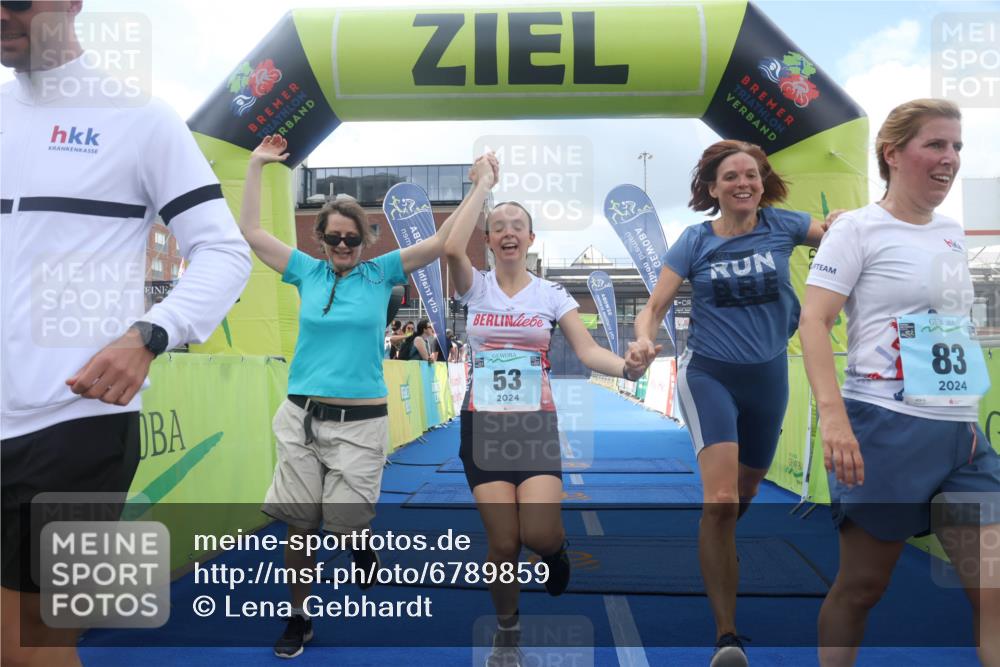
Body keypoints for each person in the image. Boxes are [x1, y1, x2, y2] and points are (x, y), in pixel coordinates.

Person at [0, 3, 252, 666]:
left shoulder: (141, 119)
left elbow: (225, 252)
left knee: (37, 640)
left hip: (77, 419)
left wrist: (150, 333)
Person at [240, 135, 484, 658]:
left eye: (352, 239)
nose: (343, 247)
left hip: (362, 423)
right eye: (334, 238)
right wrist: (257, 166)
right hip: (302, 416)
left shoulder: (381, 272)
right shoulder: (305, 270)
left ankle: (359, 545)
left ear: (365, 240)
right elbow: (253, 231)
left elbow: (443, 242)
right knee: (302, 525)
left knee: (346, 520)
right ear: (322, 239)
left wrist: (481, 187)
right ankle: (298, 617)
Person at [799, 99, 1000, 667]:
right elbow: (814, 321)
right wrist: (833, 417)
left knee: (994, 589)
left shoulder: (953, 234)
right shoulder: (857, 230)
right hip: (885, 430)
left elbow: (942, 325)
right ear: (892, 154)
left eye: (957, 146)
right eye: (936, 144)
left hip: (961, 437)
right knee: (863, 588)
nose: (950, 158)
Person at [628, 139, 834, 667]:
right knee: (719, 500)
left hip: (768, 378)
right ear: (713, 188)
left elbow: (841, 235)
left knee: (740, 499)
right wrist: (643, 339)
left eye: (752, 175)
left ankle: (721, 545)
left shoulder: (784, 226)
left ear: (762, 182)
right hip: (709, 375)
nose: (743, 183)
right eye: (731, 177)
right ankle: (727, 635)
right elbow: (653, 306)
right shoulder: (694, 241)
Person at [446, 154, 650, 666]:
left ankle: (556, 553)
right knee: (503, 542)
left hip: (534, 427)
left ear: (530, 240)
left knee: (537, 534)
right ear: (489, 241)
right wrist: (482, 187)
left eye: (518, 226)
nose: (508, 232)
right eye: (498, 227)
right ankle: (508, 635)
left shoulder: (553, 294)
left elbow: (586, 351)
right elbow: (450, 245)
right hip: (483, 427)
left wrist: (625, 367)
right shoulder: (474, 286)